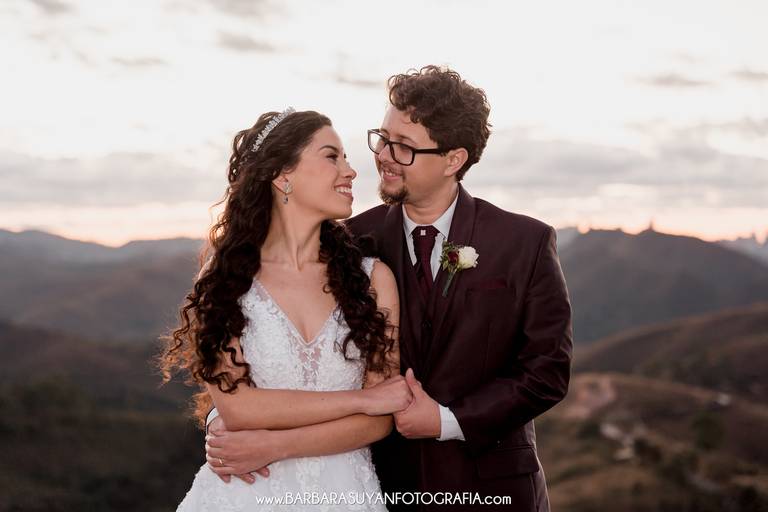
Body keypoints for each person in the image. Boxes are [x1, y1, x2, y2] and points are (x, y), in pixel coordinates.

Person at [205, 66, 573, 511]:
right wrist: (226, 416)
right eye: (382, 138)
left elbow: (547, 371)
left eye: (403, 147)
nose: (382, 156)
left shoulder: (524, 242)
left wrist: (446, 420)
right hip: (381, 485)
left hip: (492, 489)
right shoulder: (350, 242)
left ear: (453, 160)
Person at [160, 109, 411, 511]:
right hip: (244, 495)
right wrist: (361, 400)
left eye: (346, 158)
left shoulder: (372, 280)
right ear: (282, 175)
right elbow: (238, 408)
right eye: (332, 156)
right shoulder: (226, 277)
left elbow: (381, 418)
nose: (350, 171)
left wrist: (275, 445)